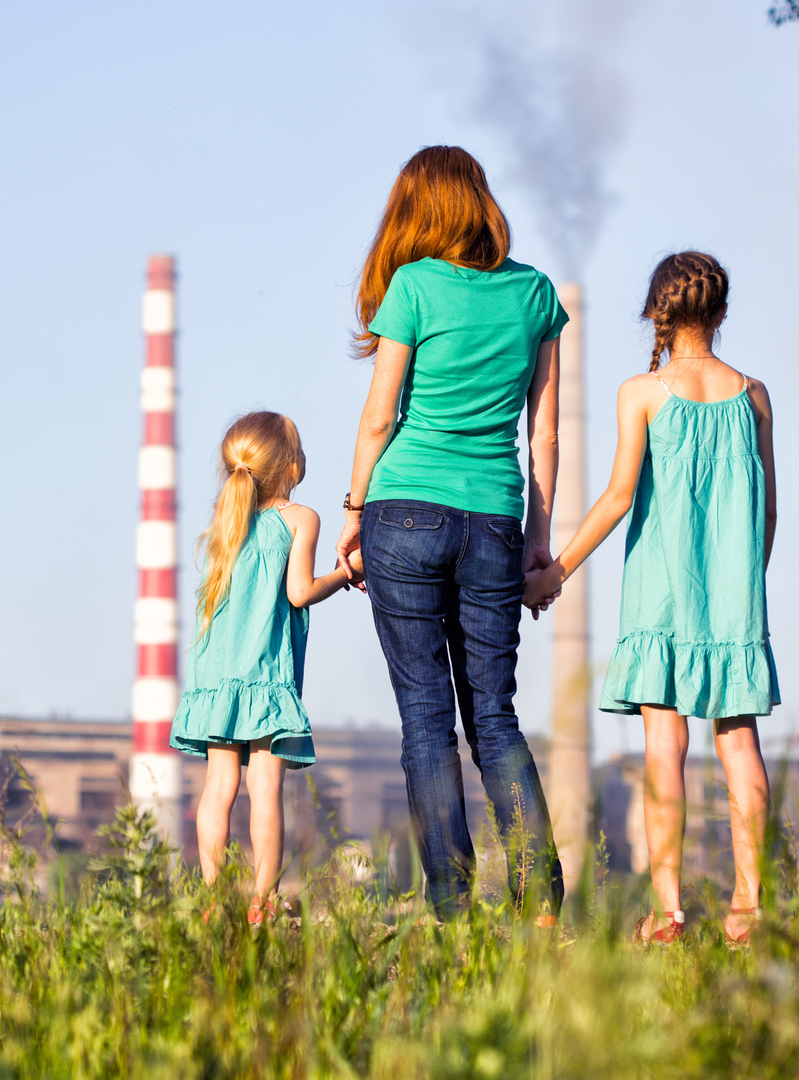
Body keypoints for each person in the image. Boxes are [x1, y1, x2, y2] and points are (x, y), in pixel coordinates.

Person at [334, 145, 566, 921]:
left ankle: (452, 906)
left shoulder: (414, 286)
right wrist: (538, 538)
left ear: (416, 209)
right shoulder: (535, 295)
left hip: (402, 508)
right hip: (496, 518)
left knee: (427, 718)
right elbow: (547, 435)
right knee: (492, 714)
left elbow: (378, 415)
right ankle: (540, 900)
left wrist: (352, 511)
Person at [524, 252, 778, 945]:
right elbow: (769, 513)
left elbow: (617, 497)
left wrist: (557, 571)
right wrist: (744, 587)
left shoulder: (641, 392)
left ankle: (668, 912)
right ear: (721, 313)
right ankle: (749, 909)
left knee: (664, 746)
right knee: (740, 746)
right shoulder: (754, 395)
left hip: (661, 597)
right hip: (734, 600)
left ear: (655, 313)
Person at [171, 410, 350, 925]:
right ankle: (261, 900)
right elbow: (299, 592)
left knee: (218, 787)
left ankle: (212, 898)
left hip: (214, 679)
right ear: (290, 467)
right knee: (265, 790)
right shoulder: (300, 518)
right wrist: (344, 574)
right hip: (265, 678)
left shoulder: (223, 525)